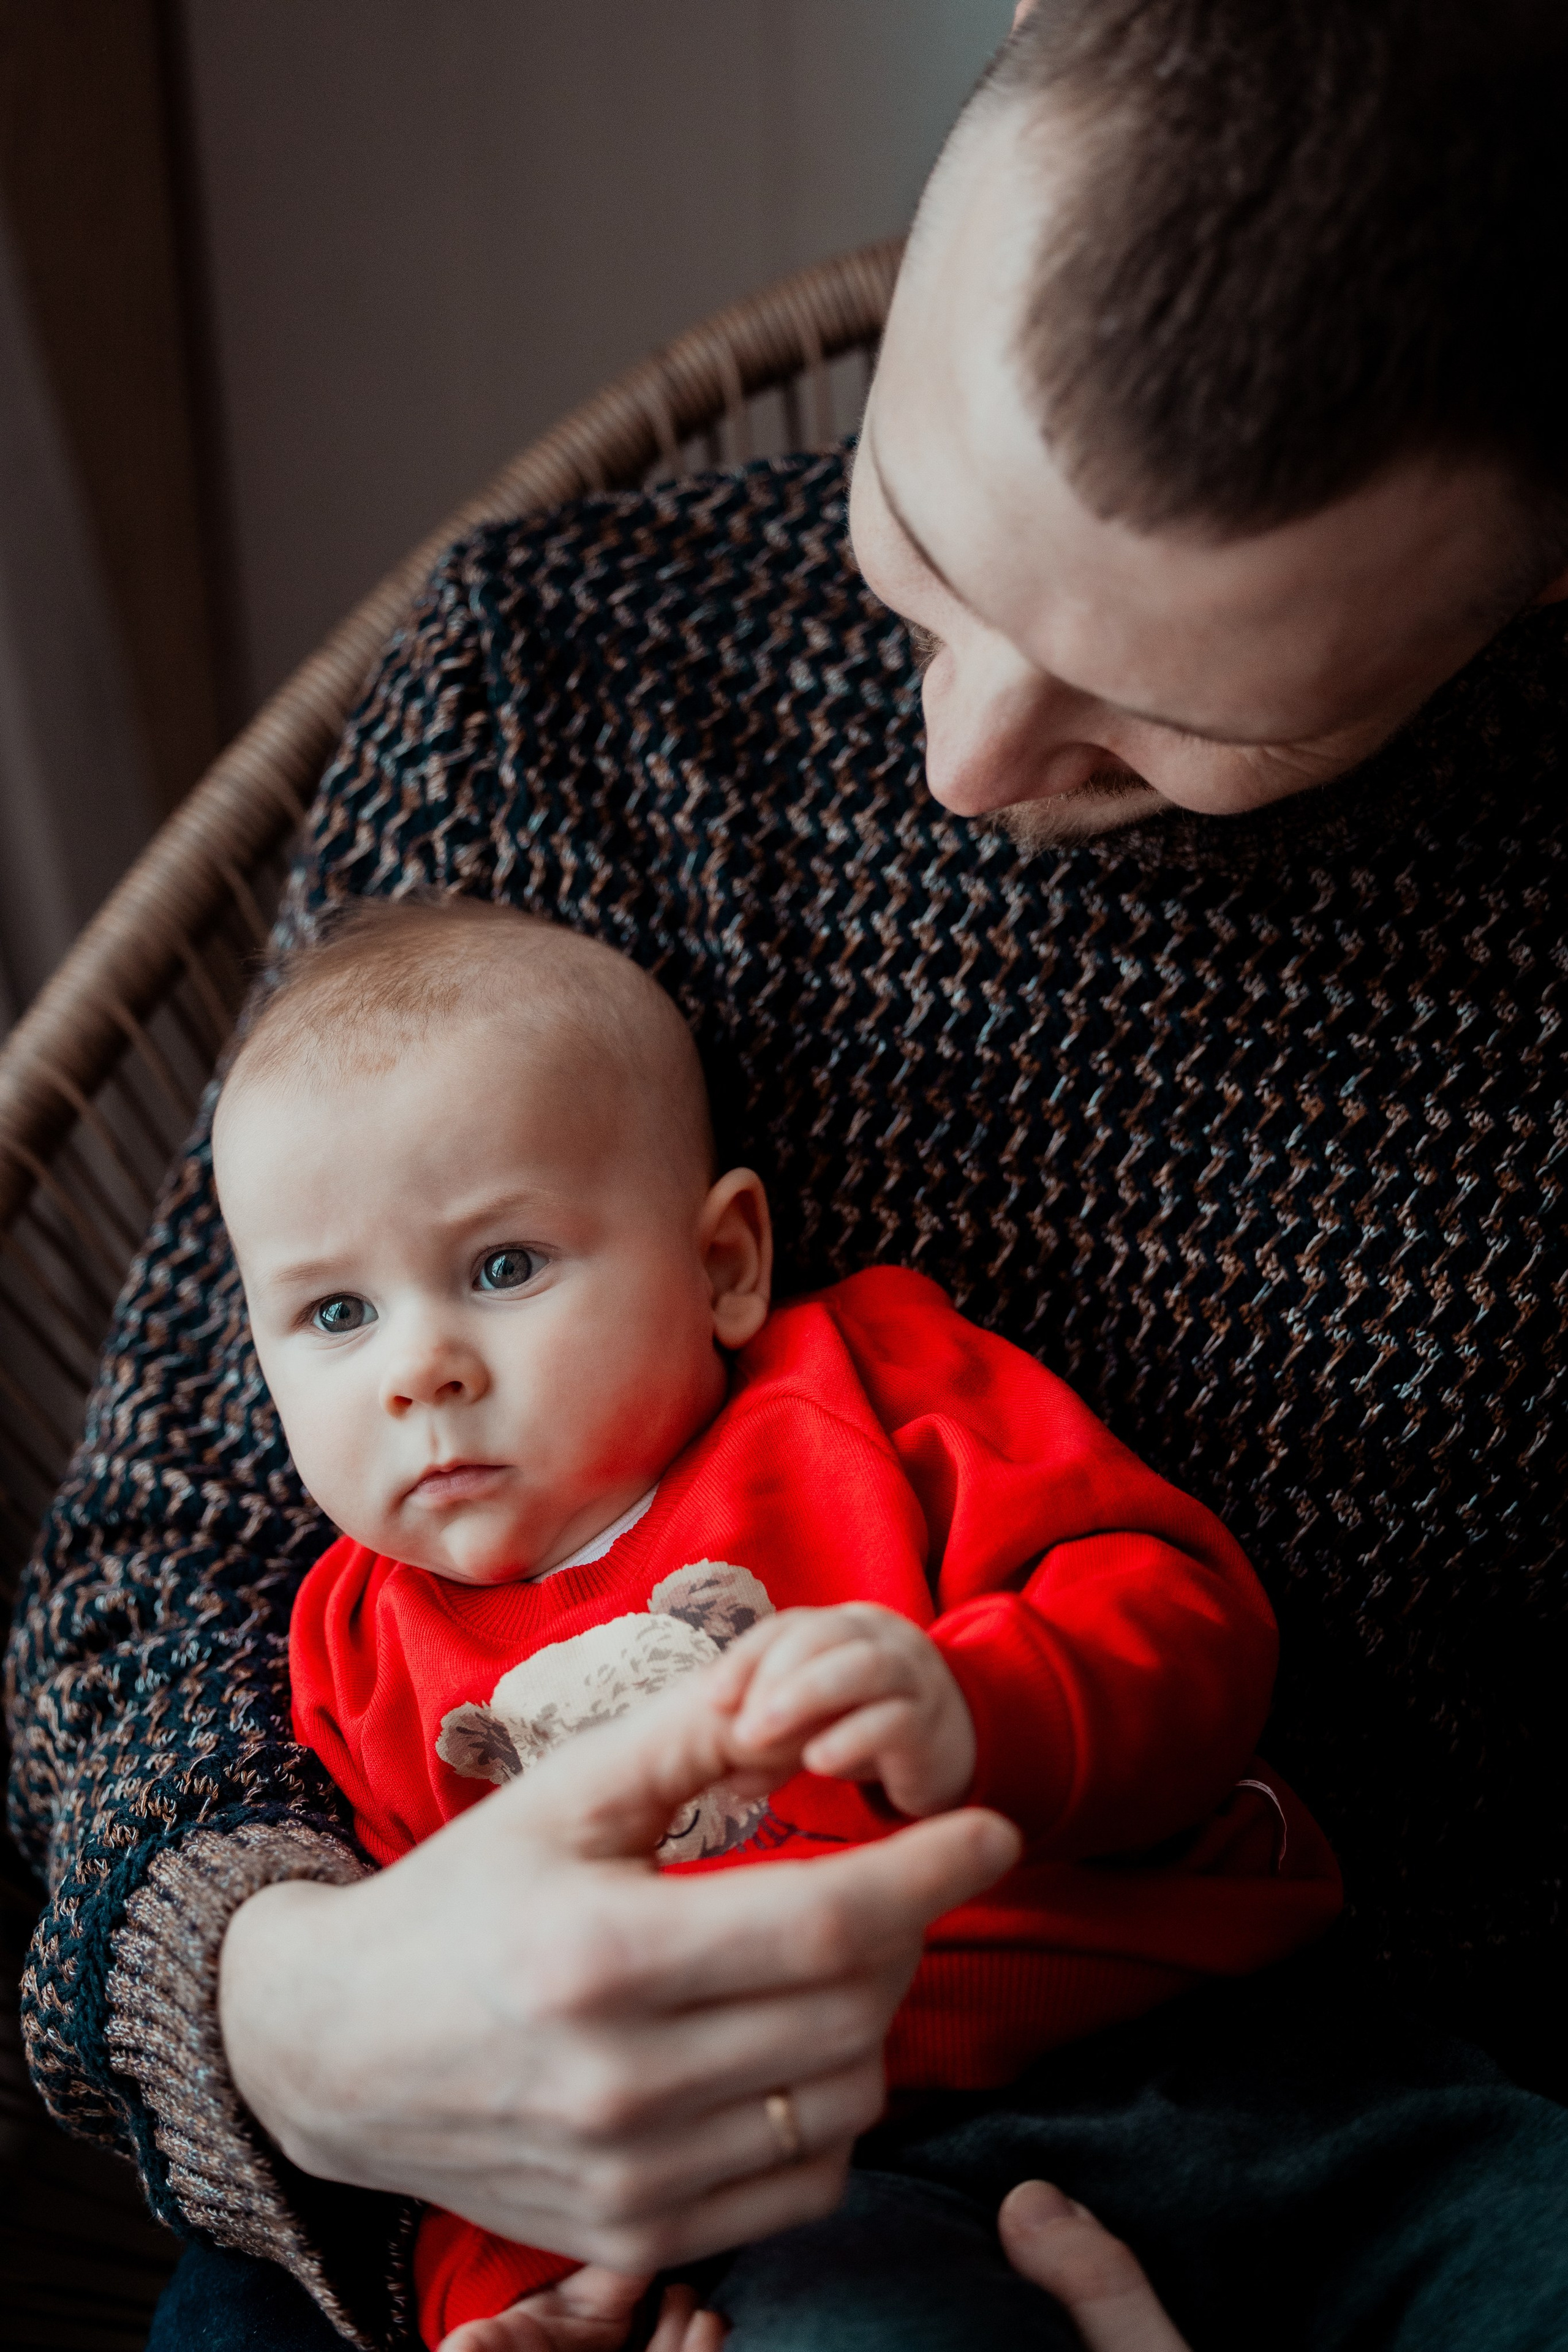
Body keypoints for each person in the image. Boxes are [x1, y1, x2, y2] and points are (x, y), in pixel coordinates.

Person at [8, 0, 1568, 2346]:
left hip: (1300, 2107)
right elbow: (172, 1563)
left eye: (1182, 725)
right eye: (919, 543)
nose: (964, 761)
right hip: (559, 2159)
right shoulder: (571, 678)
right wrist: (289, 2014)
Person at [209, 896, 1335, 2346]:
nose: (417, 1371)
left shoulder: (868, 1385)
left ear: (726, 1261)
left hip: (1198, 2047)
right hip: (802, 2183)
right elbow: (464, 2045)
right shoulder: (355, 1653)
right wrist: (525, 2303)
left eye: (503, 1267)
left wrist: (971, 1706)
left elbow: (1181, 1621)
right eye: (334, 1316)